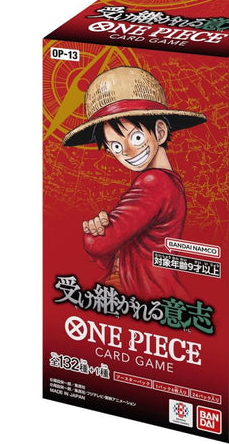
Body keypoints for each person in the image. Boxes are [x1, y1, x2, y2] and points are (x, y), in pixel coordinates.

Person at [62, 66, 206, 301]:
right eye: (116, 146)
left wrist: (92, 234)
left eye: (136, 138)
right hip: (146, 293)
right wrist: (102, 230)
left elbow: (100, 245)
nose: (127, 152)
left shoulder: (154, 182)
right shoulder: (168, 183)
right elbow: (121, 251)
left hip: (142, 295)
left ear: (160, 132)